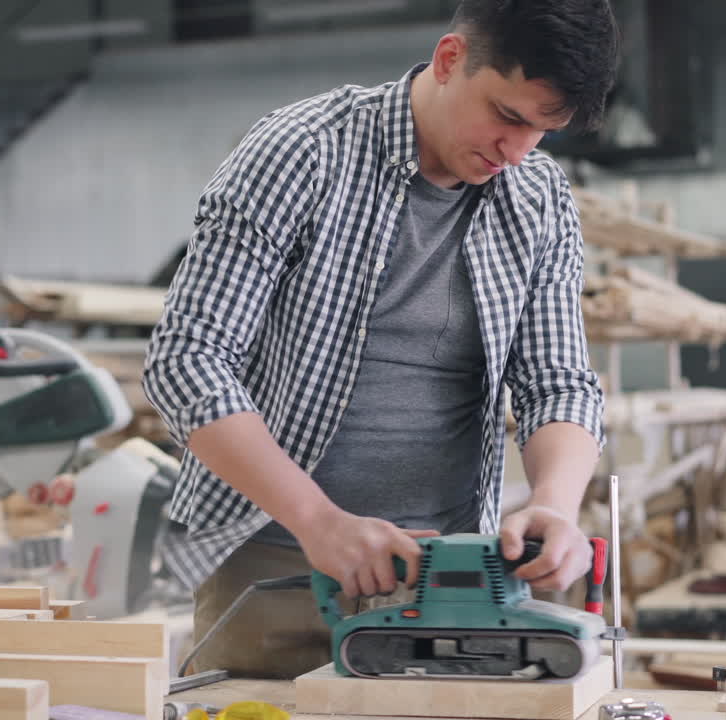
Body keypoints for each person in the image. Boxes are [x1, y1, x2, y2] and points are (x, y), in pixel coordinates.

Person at [143, 0, 621, 678]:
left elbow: (559, 384)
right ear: (451, 58)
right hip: (278, 562)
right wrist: (319, 521)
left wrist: (554, 505)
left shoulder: (538, 197)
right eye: (507, 116)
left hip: (457, 578)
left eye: (542, 131)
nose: (515, 152)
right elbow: (187, 360)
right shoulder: (302, 151)